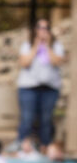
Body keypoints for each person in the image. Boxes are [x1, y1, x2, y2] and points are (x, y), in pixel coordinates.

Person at [17, 18, 64, 153]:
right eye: (40, 28)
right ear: (35, 30)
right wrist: (37, 46)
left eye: (46, 28)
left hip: (49, 88)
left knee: (46, 118)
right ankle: (23, 146)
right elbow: (25, 62)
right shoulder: (27, 45)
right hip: (29, 88)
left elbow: (56, 62)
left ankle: (45, 146)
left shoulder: (56, 46)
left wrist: (47, 46)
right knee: (27, 117)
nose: (43, 31)